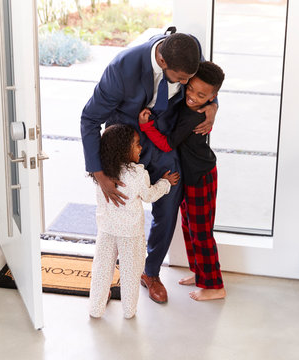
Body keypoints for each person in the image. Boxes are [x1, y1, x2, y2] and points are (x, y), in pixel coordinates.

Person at [81, 30, 218, 304]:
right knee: (116, 214)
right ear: (163, 62)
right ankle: (108, 276)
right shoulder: (122, 68)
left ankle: (150, 272)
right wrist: (99, 174)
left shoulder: (190, 51)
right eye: (182, 79)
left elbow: (208, 84)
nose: (186, 83)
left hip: (164, 143)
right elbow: (90, 118)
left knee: (168, 208)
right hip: (126, 143)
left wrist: (213, 104)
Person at [139, 61, 226, 301]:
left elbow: (168, 144)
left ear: (213, 96)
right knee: (189, 226)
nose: (193, 97)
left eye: (202, 95)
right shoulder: (195, 106)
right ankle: (201, 274)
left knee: (201, 232)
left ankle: (215, 286)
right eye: (191, 90)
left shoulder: (194, 116)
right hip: (193, 175)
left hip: (201, 177)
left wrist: (147, 128)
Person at [88, 124, 180, 318]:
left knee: (101, 270)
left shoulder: (102, 173)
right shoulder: (138, 174)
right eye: (137, 144)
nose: (141, 148)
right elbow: (149, 195)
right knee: (131, 273)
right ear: (123, 149)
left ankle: (95, 309)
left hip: (106, 230)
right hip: (131, 234)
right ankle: (129, 311)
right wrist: (164, 183)